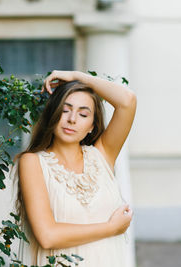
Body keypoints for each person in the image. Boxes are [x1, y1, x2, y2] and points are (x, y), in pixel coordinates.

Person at [13, 70, 137, 266]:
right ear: (53, 114)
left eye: (83, 114)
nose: (72, 119)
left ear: (92, 126)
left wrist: (78, 77)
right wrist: (110, 228)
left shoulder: (102, 155)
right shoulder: (32, 162)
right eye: (65, 109)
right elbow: (47, 235)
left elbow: (127, 101)